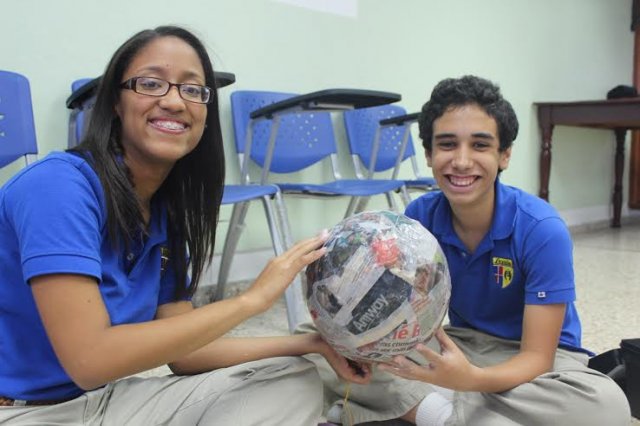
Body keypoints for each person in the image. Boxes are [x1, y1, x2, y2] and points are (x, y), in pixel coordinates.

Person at [0, 26, 370, 426]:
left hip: (103, 403)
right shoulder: (57, 186)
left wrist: (312, 343)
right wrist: (251, 301)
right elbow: (89, 360)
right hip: (22, 413)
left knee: (292, 377)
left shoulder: (164, 214)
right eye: (152, 83)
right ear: (114, 105)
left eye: (193, 90)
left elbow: (185, 353)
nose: (175, 101)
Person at [301, 75, 631, 425]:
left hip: (541, 361)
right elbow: (400, 314)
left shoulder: (541, 229)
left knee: (603, 405)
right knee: (320, 343)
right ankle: (447, 413)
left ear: (504, 155)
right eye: (446, 144)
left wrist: (469, 381)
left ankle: (421, 408)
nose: (461, 161)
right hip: (463, 345)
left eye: (480, 145)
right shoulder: (418, 220)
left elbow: (537, 358)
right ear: (428, 154)